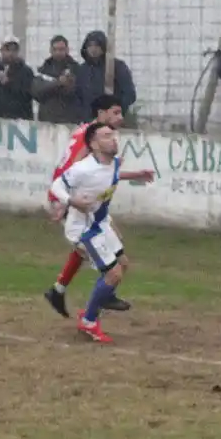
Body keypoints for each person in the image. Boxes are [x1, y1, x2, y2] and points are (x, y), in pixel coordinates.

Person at [48, 122, 155, 343]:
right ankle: (88, 321)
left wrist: (138, 174)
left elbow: (112, 174)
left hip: (100, 223)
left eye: (113, 134)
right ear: (94, 144)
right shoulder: (82, 168)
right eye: (106, 136)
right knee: (113, 273)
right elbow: (56, 186)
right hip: (83, 230)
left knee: (122, 264)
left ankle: (96, 305)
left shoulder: (112, 163)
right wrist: (70, 201)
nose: (113, 138)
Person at [43, 94, 132, 319]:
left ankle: (59, 290)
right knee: (92, 242)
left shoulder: (91, 131)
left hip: (78, 195)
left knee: (91, 244)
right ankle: (96, 301)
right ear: (101, 114)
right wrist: (65, 203)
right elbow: (76, 168)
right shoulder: (94, 137)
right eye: (115, 112)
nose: (120, 118)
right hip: (71, 195)